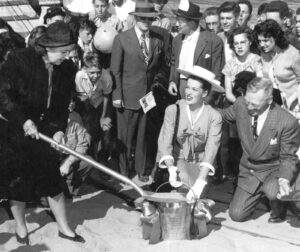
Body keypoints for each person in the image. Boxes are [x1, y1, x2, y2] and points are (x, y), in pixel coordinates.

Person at [0, 21, 85, 244]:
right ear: (48, 47)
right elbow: (5, 97)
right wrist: (24, 121)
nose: (66, 57)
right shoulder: (20, 60)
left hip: (45, 130)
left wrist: (57, 131)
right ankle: (20, 226)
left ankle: (64, 227)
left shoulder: (66, 69)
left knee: (52, 179)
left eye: (69, 52)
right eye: (64, 52)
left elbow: (61, 105)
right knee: (17, 183)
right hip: (16, 129)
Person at [221, 77, 300, 223]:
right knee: (237, 215)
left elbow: (288, 157)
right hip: (249, 170)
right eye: (247, 101)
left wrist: (284, 179)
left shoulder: (287, 121)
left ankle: (279, 208)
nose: (249, 107)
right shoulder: (240, 105)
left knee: (273, 191)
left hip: (273, 169)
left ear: (269, 101)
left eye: (254, 104)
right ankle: (262, 194)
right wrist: (201, 109)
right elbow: (221, 116)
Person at [110, 0, 169, 181]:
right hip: (127, 96)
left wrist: (158, 82)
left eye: (150, 19)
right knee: (125, 136)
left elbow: (162, 66)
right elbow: (115, 70)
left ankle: (142, 170)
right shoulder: (122, 38)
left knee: (144, 136)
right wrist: (117, 94)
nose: (146, 22)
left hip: (148, 96)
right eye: (142, 18)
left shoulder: (158, 39)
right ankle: (124, 172)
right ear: (136, 18)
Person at [158, 66, 224, 201]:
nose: (188, 92)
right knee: (183, 193)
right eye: (188, 87)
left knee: (197, 196)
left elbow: (212, 148)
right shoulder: (173, 110)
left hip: (202, 163)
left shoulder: (214, 116)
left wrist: (201, 180)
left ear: (204, 93)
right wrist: (171, 168)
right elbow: (165, 141)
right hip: (179, 159)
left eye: (195, 89)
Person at [168, 0, 224, 99]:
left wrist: (208, 99)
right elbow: (173, 62)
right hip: (179, 89)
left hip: (201, 91)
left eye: (180, 21)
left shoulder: (213, 41)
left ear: (192, 23)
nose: (176, 24)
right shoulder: (177, 40)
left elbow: (217, 74)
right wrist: (172, 81)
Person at [254, 19, 300, 113]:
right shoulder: (264, 52)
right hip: (272, 102)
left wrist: (293, 100)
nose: (262, 44)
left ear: (275, 37)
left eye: (266, 41)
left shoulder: (293, 54)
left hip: (293, 105)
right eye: (260, 41)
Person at [75, 52, 113, 160]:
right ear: (85, 68)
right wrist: (92, 122)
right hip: (87, 105)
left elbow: (107, 97)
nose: (95, 76)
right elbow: (83, 99)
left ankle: (103, 161)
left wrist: (103, 117)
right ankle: (91, 160)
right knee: (88, 133)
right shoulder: (79, 76)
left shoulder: (106, 76)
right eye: (92, 73)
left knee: (106, 134)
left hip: (103, 104)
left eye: (98, 72)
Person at [223, 26, 261, 104]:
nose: (239, 47)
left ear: (250, 42)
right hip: (235, 103)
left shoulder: (258, 61)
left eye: (243, 42)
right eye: (236, 44)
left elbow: (260, 87)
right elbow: (228, 93)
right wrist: (239, 104)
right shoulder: (230, 64)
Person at [60, 110, 92, 197]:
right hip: (51, 160)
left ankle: (70, 189)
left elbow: (82, 146)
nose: (70, 103)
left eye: (72, 100)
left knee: (88, 162)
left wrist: (68, 162)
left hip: (67, 158)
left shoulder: (75, 118)